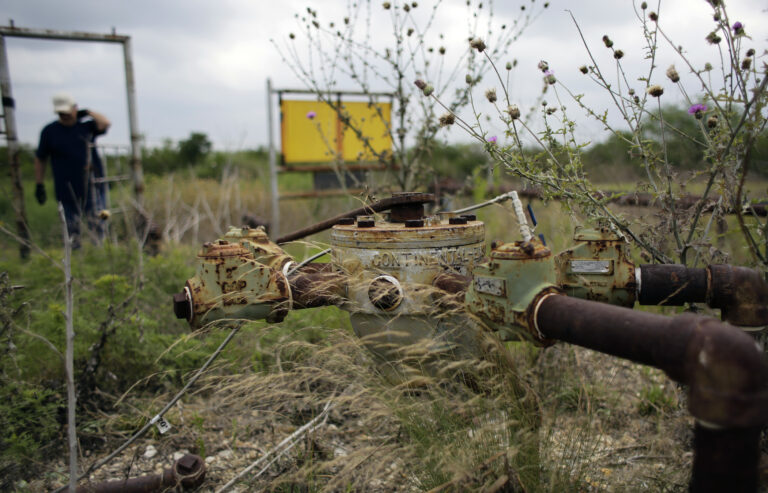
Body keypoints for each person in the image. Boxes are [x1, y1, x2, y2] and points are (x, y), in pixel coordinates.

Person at [34, 93, 111, 248]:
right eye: (61, 113)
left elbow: (105, 123)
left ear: (75, 109)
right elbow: (40, 158)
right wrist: (39, 184)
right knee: (71, 230)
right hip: (66, 190)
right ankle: (76, 260)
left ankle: (100, 255)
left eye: (67, 112)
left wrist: (88, 112)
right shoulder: (50, 131)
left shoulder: (86, 127)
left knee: (99, 224)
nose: (65, 116)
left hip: (93, 187)